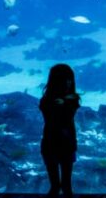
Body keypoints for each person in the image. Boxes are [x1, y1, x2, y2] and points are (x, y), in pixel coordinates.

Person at [40, 64, 80, 197]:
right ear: (56, 81)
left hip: (67, 144)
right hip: (50, 144)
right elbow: (51, 120)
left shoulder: (72, 100)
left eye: (70, 79)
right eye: (65, 79)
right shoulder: (46, 101)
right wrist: (59, 105)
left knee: (67, 186)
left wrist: (63, 103)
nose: (68, 83)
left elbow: (69, 114)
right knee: (55, 187)